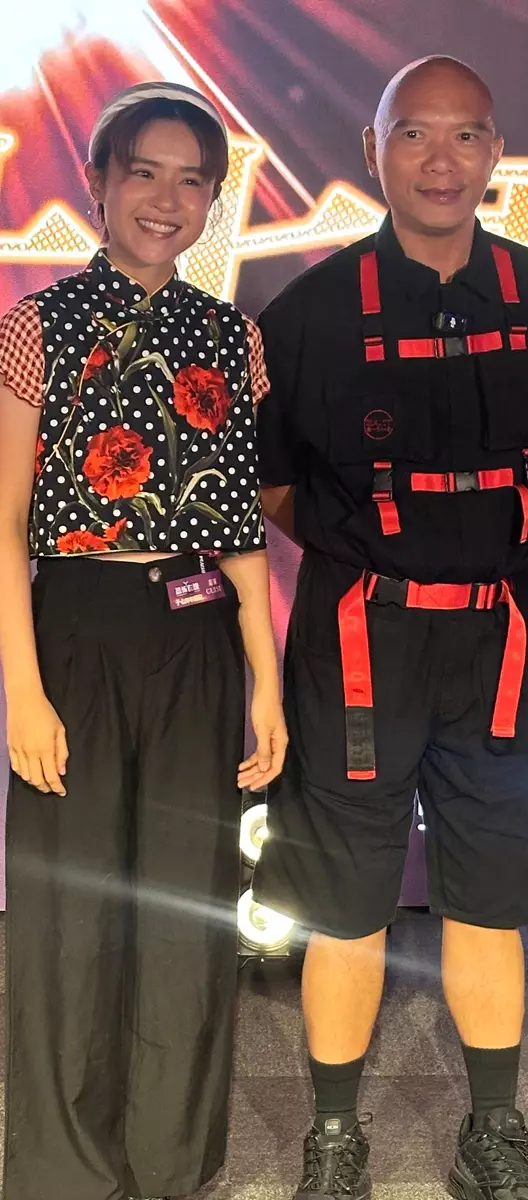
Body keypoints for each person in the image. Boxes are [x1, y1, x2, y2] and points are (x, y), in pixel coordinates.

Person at [253, 55, 528, 1200]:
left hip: (492, 642)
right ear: (374, 149)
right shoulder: (305, 316)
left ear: (496, 151)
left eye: (464, 135)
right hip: (356, 644)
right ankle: (333, 1139)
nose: (440, 161)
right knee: (344, 904)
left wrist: (463, 545)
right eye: (414, 134)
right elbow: (276, 489)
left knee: (489, 896)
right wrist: (382, 553)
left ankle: (493, 1129)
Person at [0, 82, 287, 1200]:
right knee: (69, 911)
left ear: (213, 199)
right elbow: (4, 523)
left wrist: (265, 682)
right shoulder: (38, 327)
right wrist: (24, 692)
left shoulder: (231, 336)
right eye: (144, 173)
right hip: (76, 627)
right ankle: (65, 1171)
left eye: (191, 181)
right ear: (99, 183)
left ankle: (169, 1162)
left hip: (198, 632)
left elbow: (242, 532)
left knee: (184, 903)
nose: (166, 199)